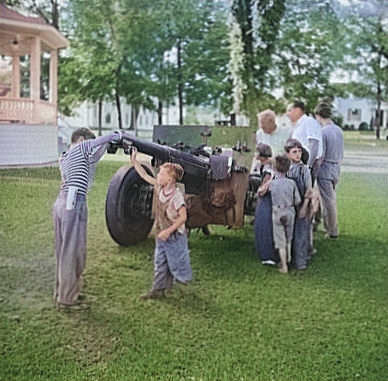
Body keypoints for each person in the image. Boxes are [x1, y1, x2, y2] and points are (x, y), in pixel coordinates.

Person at [53, 128, 122, 310]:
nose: (90, 148)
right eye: (88, 143)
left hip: (63, 201)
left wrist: (107, 145)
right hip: (74, 201)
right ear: (82, 139)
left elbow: (95, 156)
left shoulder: (66, 156)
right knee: (72, 249)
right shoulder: (80, 147)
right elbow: (102, 140)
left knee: (65, 249)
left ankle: (64, 290)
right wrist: (117, 135)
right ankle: (67, 299)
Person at [130, 147, 192, 299]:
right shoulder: (158, 187)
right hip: (162, 232)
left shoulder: (176, 197)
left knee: (174, 263)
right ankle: (157, 290)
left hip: (175, 234)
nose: (158, 175)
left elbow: (183, 218)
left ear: (170, 179)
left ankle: (172, 285)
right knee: (159, 261)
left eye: (162, 173)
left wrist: (168, 231)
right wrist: (134, 160)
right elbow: (144, 175)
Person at [314, 102, 344, 239]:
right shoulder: (338, 130)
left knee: (328, 201)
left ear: (318, 116)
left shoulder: (323, 132)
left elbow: (321, 155)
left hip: (325, 168)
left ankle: (332, 230)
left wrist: (314, 169)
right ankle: (315, 222)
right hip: (336, 167)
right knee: (322, 197)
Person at [285, 139, 314, 271]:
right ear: (288, 154)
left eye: (299, 151)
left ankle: (301, 261)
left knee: (301, 233)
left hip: (302, 204)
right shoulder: (286, 169)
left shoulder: (304, 169)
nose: (298, 154)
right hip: (289, 204)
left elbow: (309, 190)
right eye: (294, 152)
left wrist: (304, 207)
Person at [270, 155, 301, 273]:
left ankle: (284, 266)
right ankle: (289, 260)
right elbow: (298, 200)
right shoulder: (292, 183)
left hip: (277, 211)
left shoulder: (273, 183)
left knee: (280, 240)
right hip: (289, 211)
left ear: (275, 168)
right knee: (289, 238)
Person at [253, 143, 277, 266]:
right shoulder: (263, 164)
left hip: (269, 197)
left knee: (263, 224)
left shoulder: (269, 167)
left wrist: (259, 191)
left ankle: (267, 255)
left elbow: (266, 184)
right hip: (268, 195)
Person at [287, 101, 323, 183]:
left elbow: (314, 144)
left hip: (307, 164)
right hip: (298, 164)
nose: (287, 114)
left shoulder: (308, 122)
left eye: (290, 110)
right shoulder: (297, 125)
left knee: (306, 192)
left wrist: (308, 167)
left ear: (297, 110)